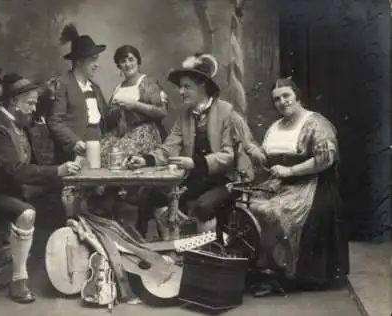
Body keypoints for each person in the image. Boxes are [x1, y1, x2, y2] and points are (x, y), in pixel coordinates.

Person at [0, 69, 81, 304]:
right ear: (14, 103)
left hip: (13, 188)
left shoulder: (17, 121)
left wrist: (59, 177)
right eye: (30, 103)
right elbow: (17, 170)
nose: (33, 108)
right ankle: (19, 280)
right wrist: (57, 171)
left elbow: (30, 168)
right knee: (27, 213)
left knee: (63, 194)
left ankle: (63, 262)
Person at [126, 53, 254, 238]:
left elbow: (228, 156)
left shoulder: (226, 112)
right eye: (180, 87)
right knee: (152, 197)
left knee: (203, 205)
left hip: (227, 180)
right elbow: (169, 147)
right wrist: (145, 159)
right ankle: (169, 249)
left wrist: (196, 163)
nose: (181, 91)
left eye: (187, 86)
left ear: (202, 86)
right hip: (197, 180)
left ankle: (209, 250)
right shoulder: (185, 116)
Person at [244, 78, 349, 296]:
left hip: (310, 184)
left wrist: (291, 171)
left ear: (297, 96)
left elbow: (326, 160)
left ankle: (280, 274)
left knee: (271, 211)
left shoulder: (316, 123)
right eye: (276, 99)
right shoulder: (275, 126)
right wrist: (257, 154)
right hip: (279, 183)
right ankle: (260, 268)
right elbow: (269, 162)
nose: (282, 102)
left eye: (286, 96)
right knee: (245, 204)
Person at [93, 45, 170, 233]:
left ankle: (115, 198)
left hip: (144, 132)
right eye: (122, 61)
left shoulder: (147, 82)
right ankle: (105, 203)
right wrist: (113, 113)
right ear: (118, 65)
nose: (127, 64)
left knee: (117, 153)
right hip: (121, 133)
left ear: (138, 61)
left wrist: (133, 105)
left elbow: (161, 111)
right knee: (100, 152)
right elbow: (110, 120)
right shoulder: (119, 87)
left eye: (130, 59)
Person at [42, 23, 108, 164]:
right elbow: (55, 121)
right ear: (79, 62)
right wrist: (74, 142)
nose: (97, 64)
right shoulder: (63, 84)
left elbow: (106, 119)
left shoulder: (95, 88)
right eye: (93, 60)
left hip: (98, 149)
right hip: (74, 154)